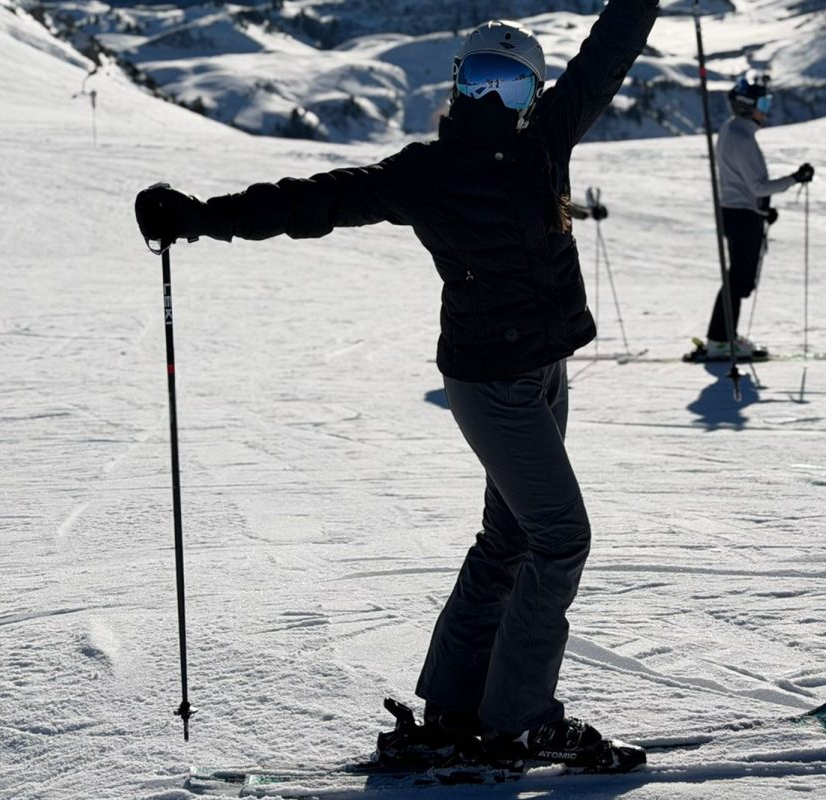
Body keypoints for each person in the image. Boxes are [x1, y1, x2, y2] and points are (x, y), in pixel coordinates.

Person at [134, 0, 660, 773]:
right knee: (561, 537)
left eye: (511, 87)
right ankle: (519, 719)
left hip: (543, 372)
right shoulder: (427, 173)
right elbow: (312, 201)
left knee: (513, 538)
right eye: (480, 79)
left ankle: (454, 708)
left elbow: (607, 52)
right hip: (490, 384)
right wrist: (201, 218)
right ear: (457, 84)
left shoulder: (548, 141)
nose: (490, 100)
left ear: (533, 100)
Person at [690, 70, 812, 362]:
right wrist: (795, 178)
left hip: (742, 212)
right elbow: (757, 185)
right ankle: (720, 340)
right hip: (742, 216)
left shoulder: (736, 131)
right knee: (739, 280)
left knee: (739, 280)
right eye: (764, 105)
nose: (767, 111)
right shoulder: (740, 138)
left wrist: (762, 209)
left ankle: (724, 337)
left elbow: (745, 184)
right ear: (747, 106)